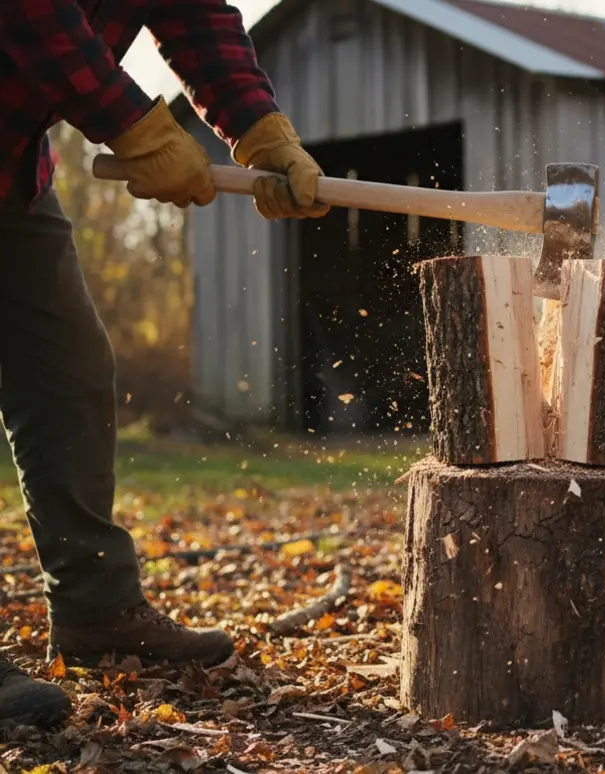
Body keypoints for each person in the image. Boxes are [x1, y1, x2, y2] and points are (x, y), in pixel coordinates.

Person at [0, 1, 330, 729]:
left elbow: (193, 13)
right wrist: (134, 123)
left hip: (11, 168)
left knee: (68, 378)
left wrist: (259, 129)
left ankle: (97, 610)